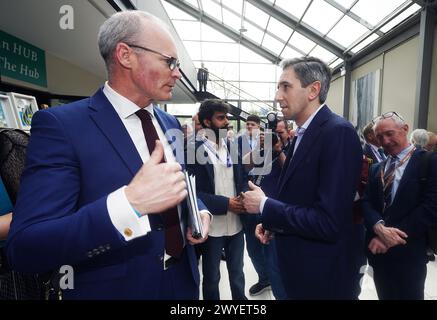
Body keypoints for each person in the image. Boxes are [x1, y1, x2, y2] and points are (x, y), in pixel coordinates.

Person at [6, 11, 211, 300]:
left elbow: (177, 185)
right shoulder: (61, 126)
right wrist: (128, 205)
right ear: (126, 55)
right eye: (170, 62)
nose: (177, 73)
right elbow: (26, 248)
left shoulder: (170, 124)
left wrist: (197, 209)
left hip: (184, 281)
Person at [242, 57, 363, 299]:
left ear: (313, 90)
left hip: (322, 278)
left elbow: (329, 222)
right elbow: (301, 199)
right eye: (278, 87)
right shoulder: (302, 134)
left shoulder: (337, 132)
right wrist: (271, 223)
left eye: (285, 86)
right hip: (300, 270)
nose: (278, 96)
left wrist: (265, 205)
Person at [362, 112, 437, 300]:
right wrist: (378, 226)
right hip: (379, 254)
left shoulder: (428, 162)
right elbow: (366, 202)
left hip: (409, 252)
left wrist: (389, 237)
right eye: (380, 137)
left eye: (389, 134)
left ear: (405, 129)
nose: (385, 141)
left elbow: (430, 207)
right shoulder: (376, 169)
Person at [186, 99, 247, 300]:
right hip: (212, 227)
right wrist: (227, 203)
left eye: (226, 117)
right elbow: (194, 193)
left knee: (237, 274)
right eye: (221, 118)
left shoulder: (232, 147)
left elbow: (241, 180)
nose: (227, 122)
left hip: (237, 225)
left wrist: (244, 197)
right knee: (212, 277)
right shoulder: (193, 151)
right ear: (205, 122)